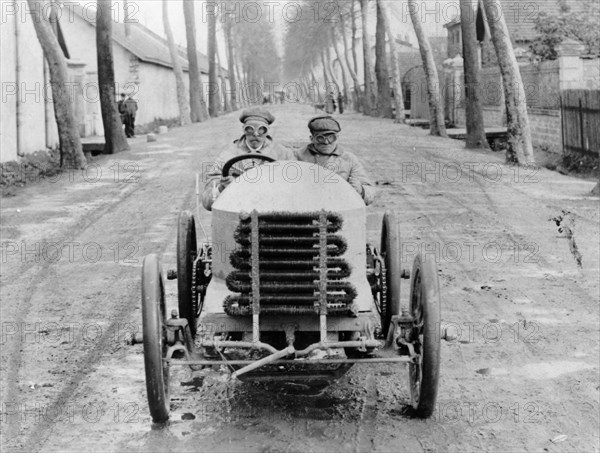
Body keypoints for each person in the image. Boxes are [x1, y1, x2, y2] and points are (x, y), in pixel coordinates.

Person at [201, 107, 294, 211]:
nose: (255, 134)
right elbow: (207, 201)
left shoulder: (283, 154)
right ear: (244, 129)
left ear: (268, 131)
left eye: (261, 129)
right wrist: (222, 188)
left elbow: (296, 188)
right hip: (237, 211)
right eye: (250, 129)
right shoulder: (227, 155)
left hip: (274, 211)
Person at [294, 115, 377, 205]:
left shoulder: (349, 159)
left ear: (337, 137)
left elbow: (370, 192)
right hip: (305, 208)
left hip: (340, 208)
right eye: (320, 138)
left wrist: (361, 190)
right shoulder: (297, 156)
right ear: (312, 139)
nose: (326, 142)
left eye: (331, 138)